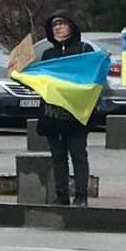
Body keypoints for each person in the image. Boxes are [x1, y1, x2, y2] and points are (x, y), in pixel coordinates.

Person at [37, 13, 91, 207]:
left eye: (62, 24)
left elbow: (92, 75)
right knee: (58, 157)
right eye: (54, 25)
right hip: (52, 113)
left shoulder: (84, 50)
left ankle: (81, 195)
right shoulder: (48, 55)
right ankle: (61, 195)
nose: (58, 28)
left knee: (78, 154)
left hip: (76, 113)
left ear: (72, 26)